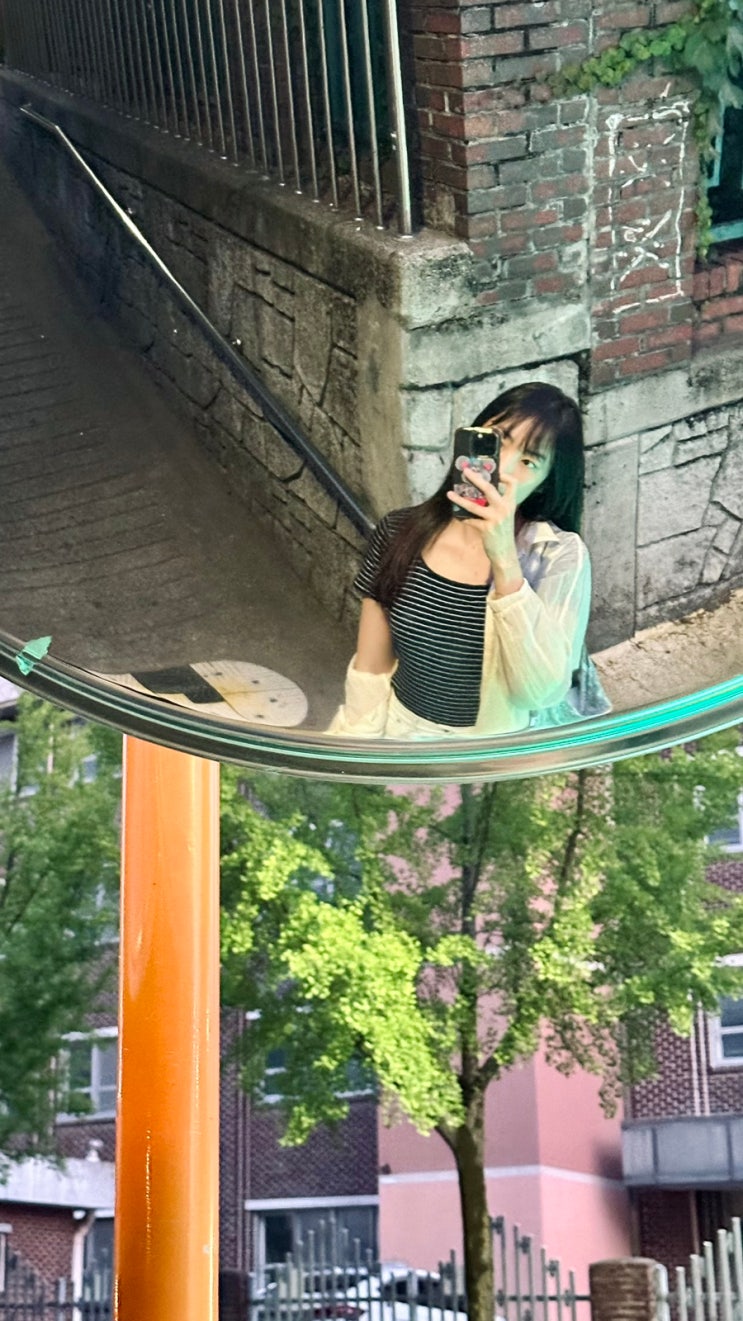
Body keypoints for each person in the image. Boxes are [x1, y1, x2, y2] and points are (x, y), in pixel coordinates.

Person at [328, 382, 594, 739]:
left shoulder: (559, 555)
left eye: (529, 461)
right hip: (400, 734)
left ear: (546, 482)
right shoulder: (398, 531)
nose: (502, 468)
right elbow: (370, 668)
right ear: (471, 439)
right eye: (496, 441)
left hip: (488, 752)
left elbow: (541, 693)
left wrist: (504, 561)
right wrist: (356, 751)